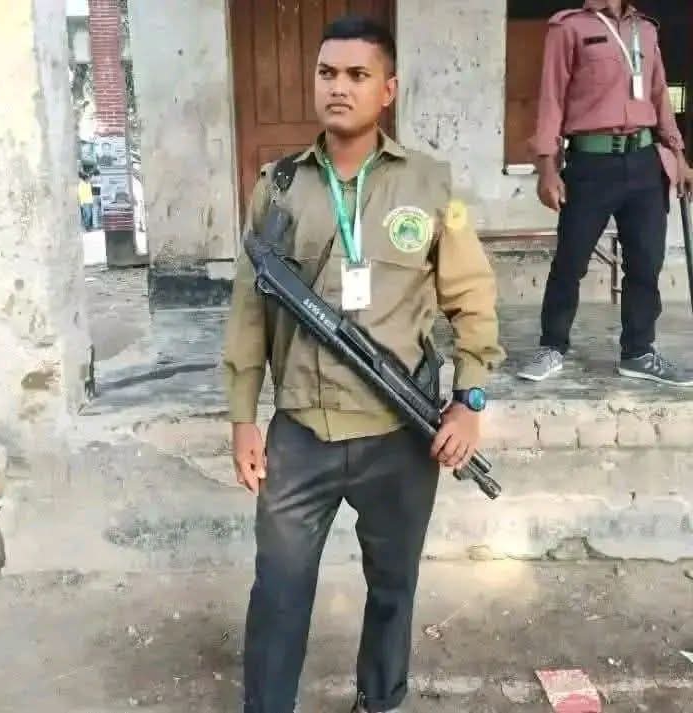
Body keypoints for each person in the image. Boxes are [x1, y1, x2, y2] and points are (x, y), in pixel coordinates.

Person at [223, 15, 505, 713]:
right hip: (301, 433)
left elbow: (472, 300)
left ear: (388, 90)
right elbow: (249, 309)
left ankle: (379, 701)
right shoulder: (278, 186)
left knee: (392, 587)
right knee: (279, 590)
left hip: (398, 435)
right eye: (327, 73)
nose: (339, 87)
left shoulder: (430, 185)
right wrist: (242, 417)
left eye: (357, 75)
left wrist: (469, 401)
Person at [517, 0, 693, 385]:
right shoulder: (569, 27)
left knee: (646, 263)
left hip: (645, 162)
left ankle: (639, 352)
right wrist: (547, 168)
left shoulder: (646, 29)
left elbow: (660, 94)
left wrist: (678, 155)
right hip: (590, 164)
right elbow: (551, 98)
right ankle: (552, 346)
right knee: (571, 262)